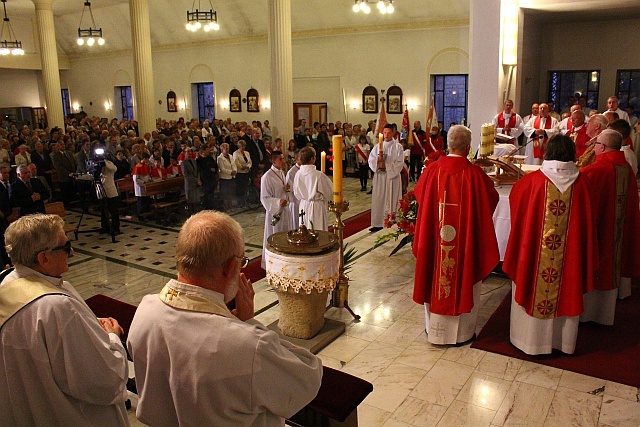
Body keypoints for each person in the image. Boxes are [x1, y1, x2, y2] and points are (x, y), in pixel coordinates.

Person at [127, 211, 322, 426]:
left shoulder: (146, 310)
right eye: (242, 262)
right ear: (230, 268)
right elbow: (307, 379)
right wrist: (249, 324)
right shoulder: (247, 345)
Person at [0, 214, 129, 425]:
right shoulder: (57, 307)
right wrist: (112, 338)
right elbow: (103, 380)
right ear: (43, 258)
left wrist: (87, 322)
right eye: (66, 246)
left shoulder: (6, 282)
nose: (72, 251)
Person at [503, 134, 598, 355]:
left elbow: (515, 206)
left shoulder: (530, 183)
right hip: (569, 260)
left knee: (533, 280)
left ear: (548, 152)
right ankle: (563, 343)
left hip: (535, 257)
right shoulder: (583, 184)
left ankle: (530, 343)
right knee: (568, 286)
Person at [412, 125, 500, 345]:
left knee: (435, 273)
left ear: (447, 145)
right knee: (463, 276)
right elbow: (491, 200)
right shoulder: (474, 175)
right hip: (463, 246)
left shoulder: (432, 171)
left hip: (436, 240)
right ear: (469, 147)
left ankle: (434, 329)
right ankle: (461, 334)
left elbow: (420, 196)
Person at [579, 129, 639, 324]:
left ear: (602, 147)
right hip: (616, 233)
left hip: (599, 233)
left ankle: (587, 316)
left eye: (596, 145)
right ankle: (605, 316)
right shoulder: (626, 168)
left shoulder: (596, 170)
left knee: (595, 266)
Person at [368, 124, 405, 232]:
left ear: (393, 133)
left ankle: (393, 219)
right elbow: (371, 159)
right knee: (379, 199)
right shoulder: (377, 147)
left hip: (392, 177)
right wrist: (378, 162)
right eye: (384, 133)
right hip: (380, 176)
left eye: (388, 132)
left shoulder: (398, 147)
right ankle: (378, 222)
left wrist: (387, 166)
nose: (386, 135)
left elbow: (399, 163)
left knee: (392, 197)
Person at [261, 151, 292, 268]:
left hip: (285, 210)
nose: (283, 161)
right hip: (275, 212)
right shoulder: (267, 177)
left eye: (283, 158)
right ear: (273, 161)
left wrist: (286, 189)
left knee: (285, 233)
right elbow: (264, 198)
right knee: (275, 235)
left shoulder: (281, 173)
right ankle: (273, 262)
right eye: (281, 159)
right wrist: (278, 202)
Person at [293, 146, 333, 231]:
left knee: (305, 232)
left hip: (303, 205)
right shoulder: (318, 175)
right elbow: (329, 192)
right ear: (312, 159)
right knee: (318, 231)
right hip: (316, 206)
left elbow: (296, 193)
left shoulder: (298, 174)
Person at [217, 142, 237, 210]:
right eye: (226, 149)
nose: (227, 150)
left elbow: (233, 164)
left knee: (231, 192)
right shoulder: (220, 158)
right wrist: (230, 172)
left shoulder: (230, 156)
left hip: (232, 177)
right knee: (226, 193)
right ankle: (226, 206)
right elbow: (222, 169)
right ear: (222, 150)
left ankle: (231, 205)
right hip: (225, 177)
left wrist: (234, 170)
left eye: (228, 148)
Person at [286, 149, 301, 229]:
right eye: (300, 157)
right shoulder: (291, 172)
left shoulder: (305, 169)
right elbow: (290, 190)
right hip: (295, 203)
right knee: (296, 226)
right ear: (296, 159)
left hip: (305, 202)